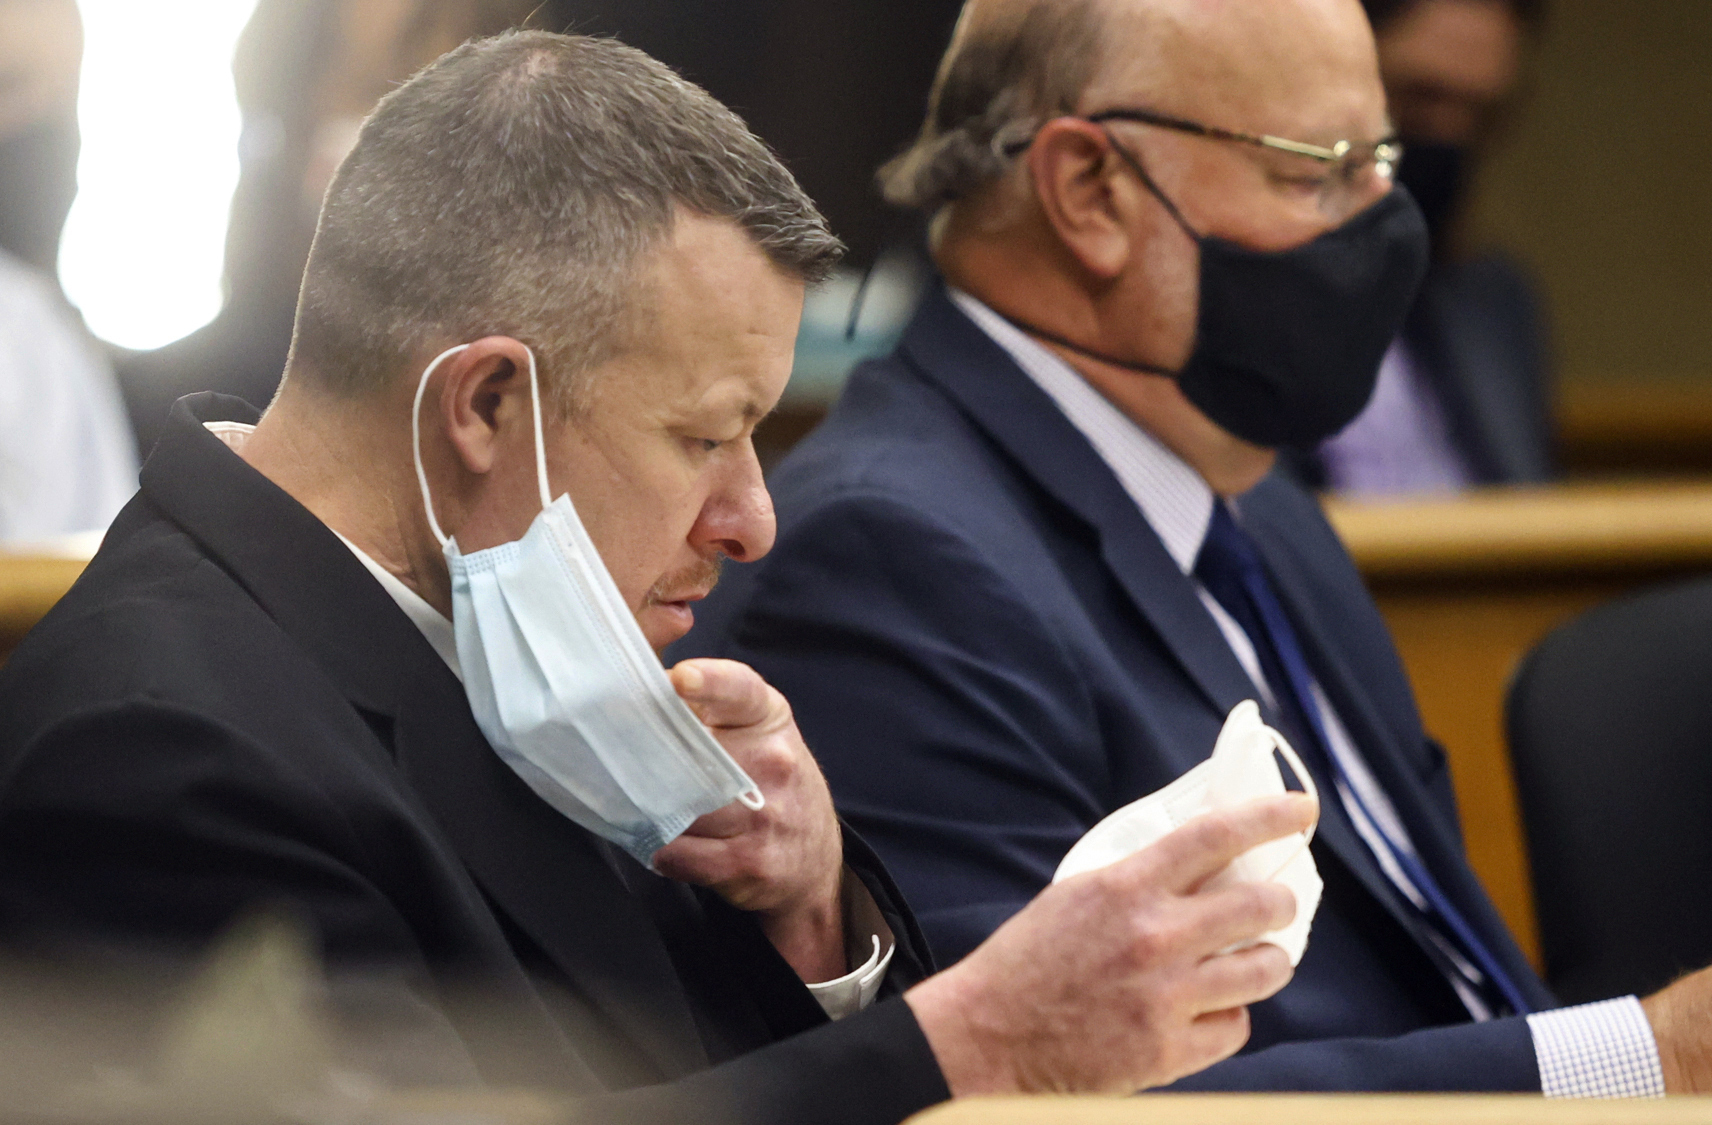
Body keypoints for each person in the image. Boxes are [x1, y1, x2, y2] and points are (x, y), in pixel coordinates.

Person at [0, 31, 1317, 1121]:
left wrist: (812, 920)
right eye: (706, 434)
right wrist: (968, 1039)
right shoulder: (156, 749)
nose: (754, 521)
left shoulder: (503, 634)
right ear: (485, 407)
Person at [677, 0, 1712, 1097]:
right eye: (1319, 170)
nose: (1385, 218)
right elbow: (1057, 1098)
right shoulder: (886, 556)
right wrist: (1649, 1058)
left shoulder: (1255, 505)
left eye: (1382, 163)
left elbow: (1441, 962)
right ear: (1089, 192)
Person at [1296, 0, 1553, 495]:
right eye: (1420, 101)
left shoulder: (1492, 303)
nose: (1449, 136)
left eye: (1480, 115)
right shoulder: (1236, 288)